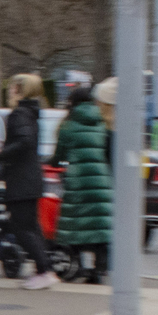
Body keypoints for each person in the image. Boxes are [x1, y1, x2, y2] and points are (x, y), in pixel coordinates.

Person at [0, 72, 56, 289]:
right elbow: (26, 141)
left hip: (21, 179)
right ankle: (44, 270)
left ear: (20, 90)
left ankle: (44, 271)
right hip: (31, 178)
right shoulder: (32, 114)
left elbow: (24, 142)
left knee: (22, 228)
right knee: (31, 227)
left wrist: (1, 153)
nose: (9, 90)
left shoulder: (19, 114)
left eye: (12, 87)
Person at [53, 84, 113, 284]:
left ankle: (78, 267)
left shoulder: (68, 125)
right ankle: (99, 270)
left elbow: (59, 156)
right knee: (99, 226)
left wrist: (51, 163)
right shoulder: (102, 123)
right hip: (101, 180)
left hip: (78, 182)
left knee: (74, 226)